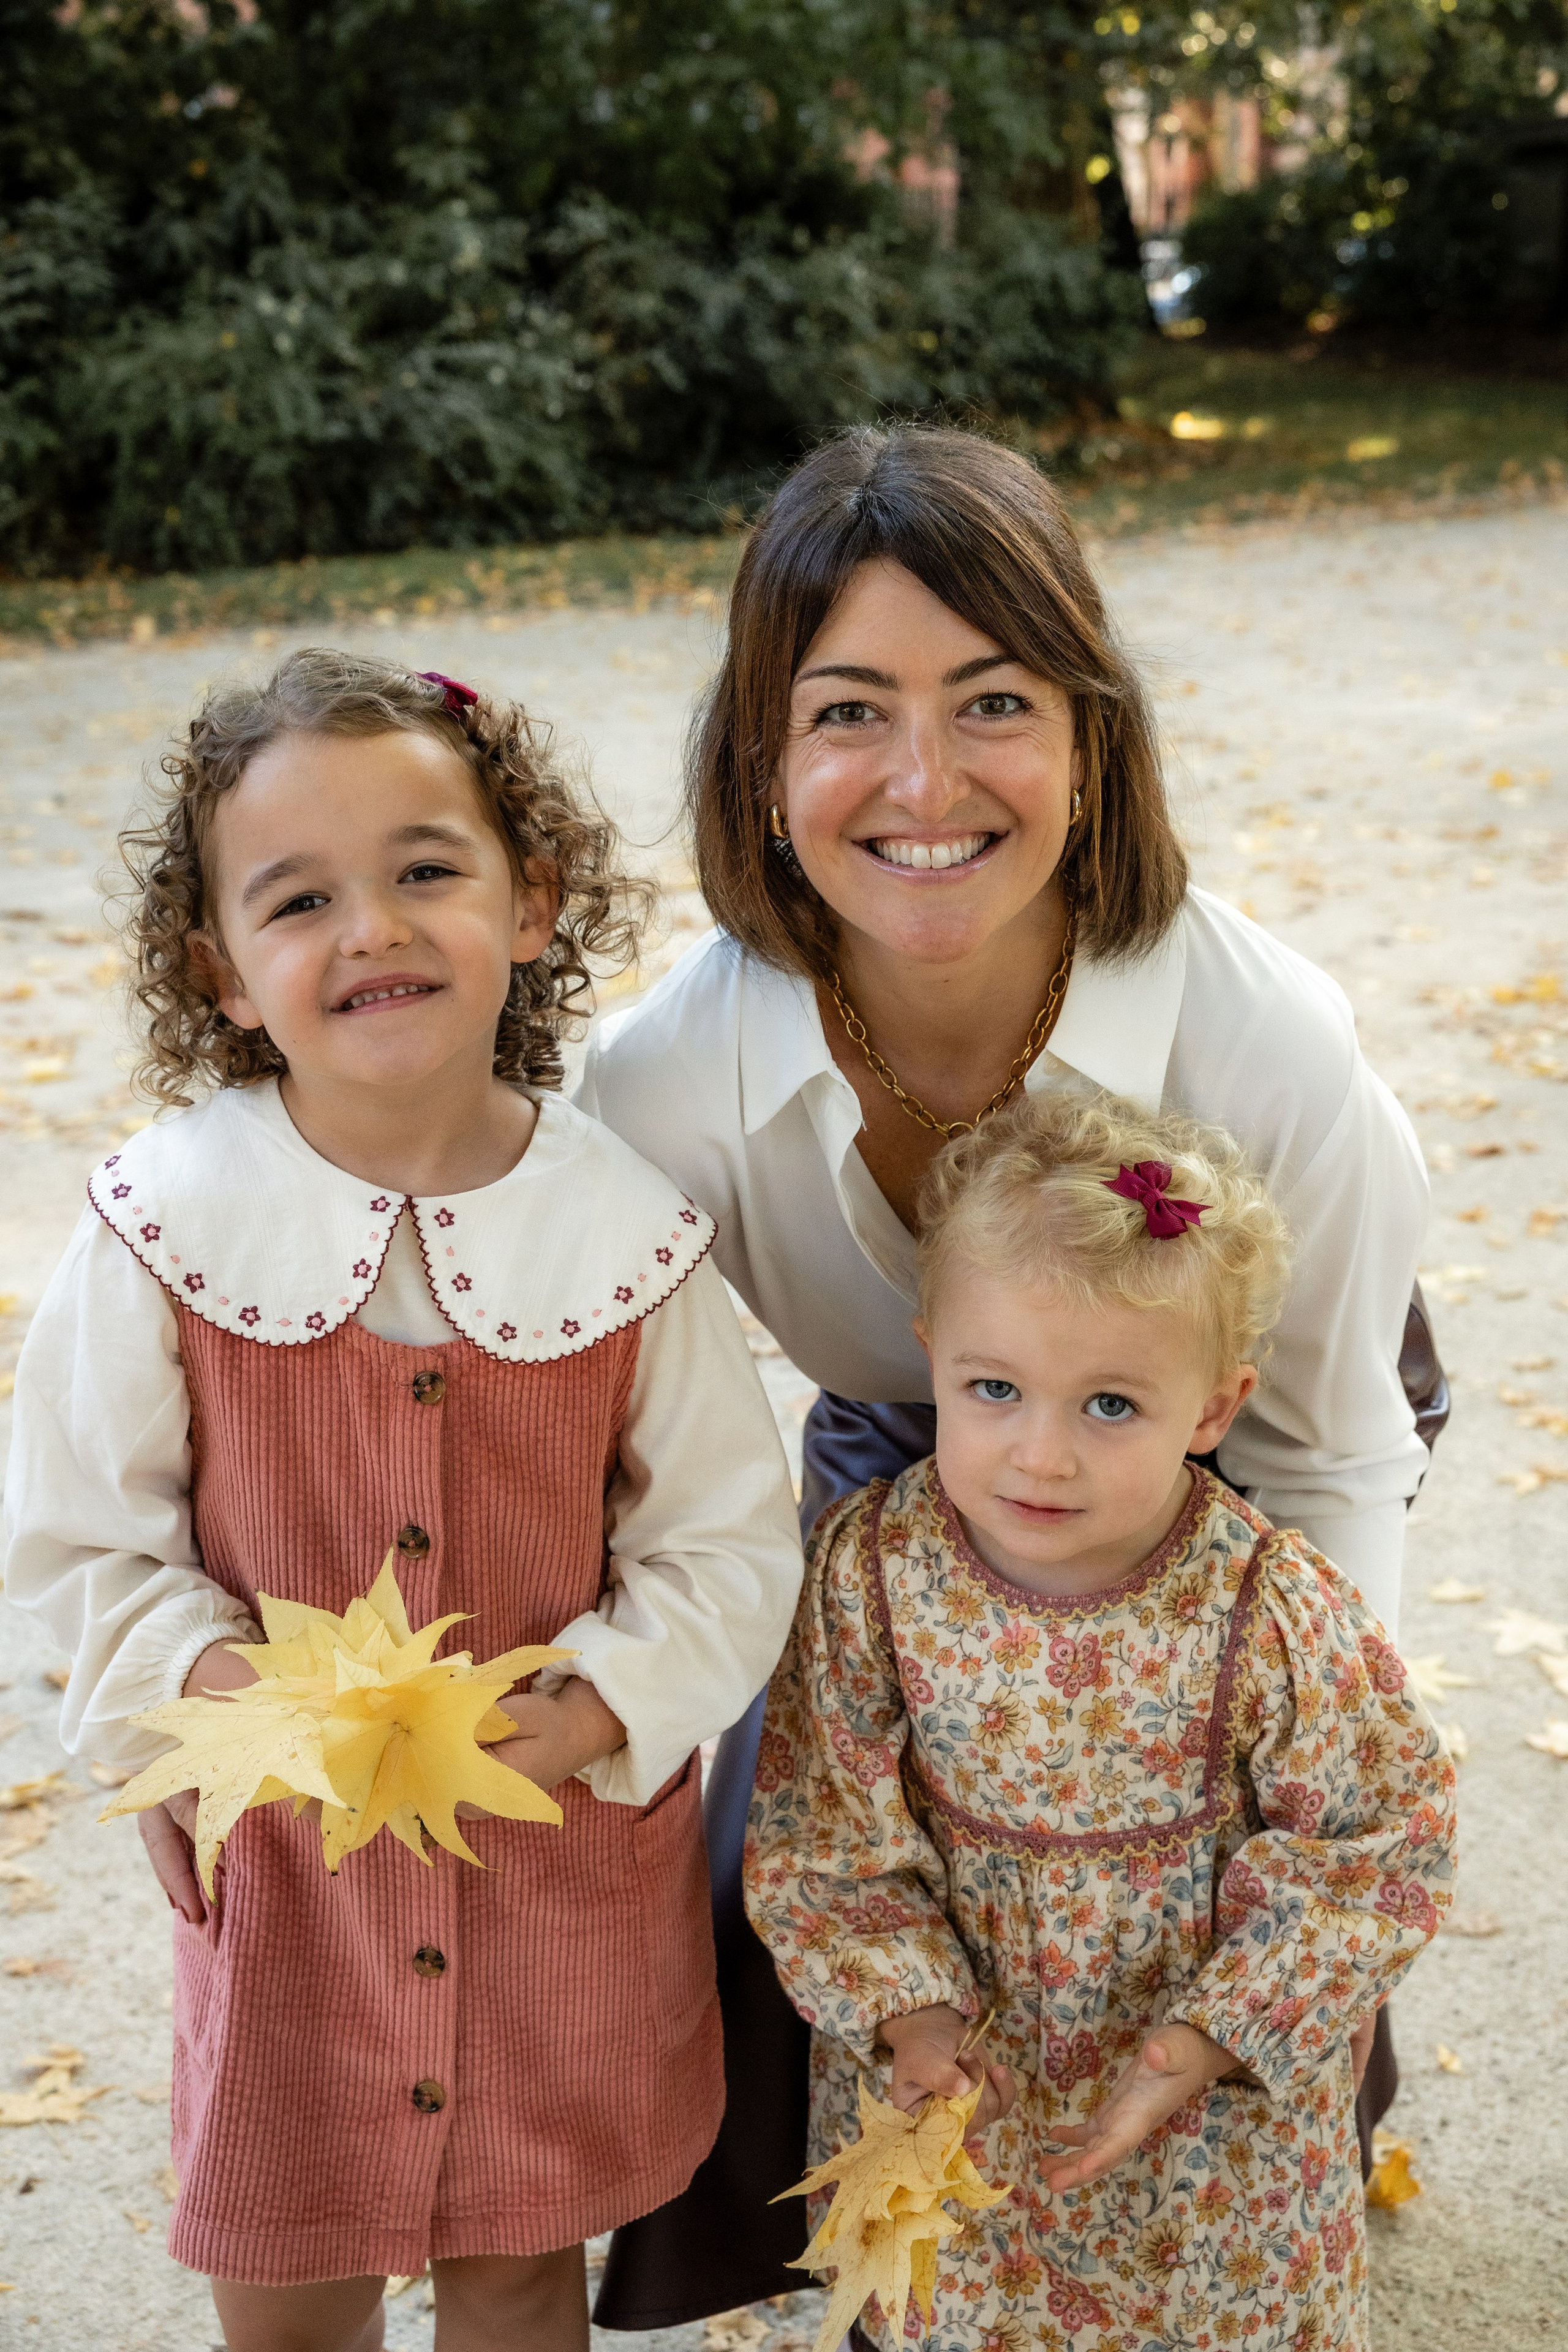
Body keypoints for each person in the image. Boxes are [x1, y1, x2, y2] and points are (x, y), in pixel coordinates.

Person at [578, 423, 1441, 2328]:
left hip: (1251, 1420)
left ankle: (1259, 2168)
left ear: (1091, 737)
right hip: (901, 1448)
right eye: (850, 710)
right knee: (771, 1860)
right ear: (760, 756)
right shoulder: (663, 1085)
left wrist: (1289, 1771)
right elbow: (615, 1454)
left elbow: (1336, 1450)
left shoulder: (1264, 1037)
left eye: (993, 703)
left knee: (1216, 1872)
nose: (923, 779)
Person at [2, 650, 803, 2352]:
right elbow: (79, 1537)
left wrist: (598, 1712)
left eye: (427, 871)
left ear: (533, 902)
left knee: (519, 2263)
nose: (371, 928)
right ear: (223, 972)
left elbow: (725, 1539)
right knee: (289, 2272)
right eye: (301, 900)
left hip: (548, 1852)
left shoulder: (629, 1234)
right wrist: (214, 1700)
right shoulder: (161, 1224)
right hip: (291, 1867)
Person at [745, 1090, 1457, 2352]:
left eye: (1110, 1406)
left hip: (1207, 2116)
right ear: (930, 1358)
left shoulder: (1267, 1604)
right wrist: (910, 2017)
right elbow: (822, 1828)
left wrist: (1208, 2036)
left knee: (1213, 2312)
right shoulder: (873, 1572)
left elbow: (1376, 1842)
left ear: (1213, 1410)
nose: (1041, 1455)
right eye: (993, 1388)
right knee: (966, 2308)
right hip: (967, 2082)